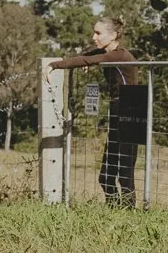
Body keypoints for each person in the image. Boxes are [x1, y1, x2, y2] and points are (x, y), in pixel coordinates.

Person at [51, 17, 146, 206]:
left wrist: (53, 65)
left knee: (125, 174)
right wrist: (84, 61)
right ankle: (115, 211)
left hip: (132, 105)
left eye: (98, 33)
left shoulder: (118, 55)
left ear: (112, 35)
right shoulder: (109, 53)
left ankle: (129, 214)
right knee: (106, 177)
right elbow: (89, 56)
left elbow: (87, 58)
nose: (93, 37)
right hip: (120, 106)